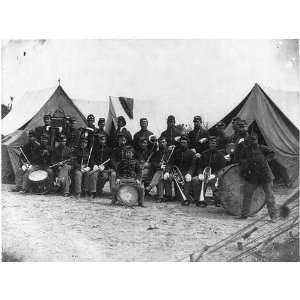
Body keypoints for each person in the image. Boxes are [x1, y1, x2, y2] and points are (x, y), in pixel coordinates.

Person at [234, 133, 278, 220]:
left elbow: (272, 153)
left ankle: (273, 217)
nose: (252, 141)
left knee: (269, 196)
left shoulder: (262, 148)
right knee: (247, 195)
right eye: (250, 140)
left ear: (257, 140)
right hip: (252, 176)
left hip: (265, 175)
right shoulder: (245, 150)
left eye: (254, 139)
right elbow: (240, 159)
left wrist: (266, 159)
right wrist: (246, 164)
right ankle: (244, 215)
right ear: (248, 141)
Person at [191, 136, 227, 207]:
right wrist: (200, 174)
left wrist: (214, 175)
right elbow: (200, 167)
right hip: (204, 175)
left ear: (216, 144)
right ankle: (199, 199)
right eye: (210, 143)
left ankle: (218, 201)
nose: (212, 145)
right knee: (195, 180)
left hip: (215, 175)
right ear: (208, 144)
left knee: (216, 182)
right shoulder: (204, 154)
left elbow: (221, 168)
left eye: (213, 143)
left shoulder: (220, 155)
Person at [165, 135, 195, 204]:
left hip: (186, 173)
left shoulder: (191, 153)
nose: (183, 144)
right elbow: (170, 163)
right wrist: (167, 172)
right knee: (167, 178)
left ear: (187, 143)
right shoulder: (176, 152)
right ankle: (168, 196)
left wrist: (189, 174)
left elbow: (193, 165)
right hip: (176, 173)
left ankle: (184, 196)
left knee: (187, 180)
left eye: (184, 142)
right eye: (181, 142)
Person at [147, 136, 173, 202]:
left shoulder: (170, 152)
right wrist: (159, 165)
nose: (162, 143)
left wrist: (167, 171)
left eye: (163, 142)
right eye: (160, 142)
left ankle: (152, 187)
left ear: (166, 143)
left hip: (169, 171)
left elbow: (171, 163)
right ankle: (163, 197)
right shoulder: (157, 153)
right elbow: (153, 162)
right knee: (160, 176)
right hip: (160, 170)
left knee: (162, 175)